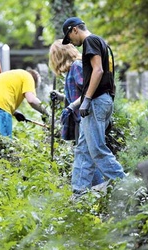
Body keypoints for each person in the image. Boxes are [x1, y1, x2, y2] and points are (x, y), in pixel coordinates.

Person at [61, 17, 125, 194]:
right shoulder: (102, 42)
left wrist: (87, 100)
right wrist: (75, 104)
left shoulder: (90, 41)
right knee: (83, 149)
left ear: (75, 30)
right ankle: (79, 193)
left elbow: (98, 71)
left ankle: (128, 186)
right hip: (102, 100)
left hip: (96, 102)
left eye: (70, 38)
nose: (72, 43)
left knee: (97, 149)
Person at [49, 39, 104, 187]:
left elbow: (88, 92)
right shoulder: (72, 69)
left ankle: (97, 190)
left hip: (86, 117)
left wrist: (70, 107)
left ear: (58, 56)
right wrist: (60, 97)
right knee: (86, 155)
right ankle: (94, 192)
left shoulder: (77, 67)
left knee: (88, 156)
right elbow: (75, 96)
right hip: (80, 118)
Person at [0, 69, 50, 137]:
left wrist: (15, 113)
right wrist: (47, 113)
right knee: (3, 146)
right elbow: (31, 99)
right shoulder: (29, 77)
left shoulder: (14, 74)